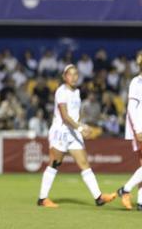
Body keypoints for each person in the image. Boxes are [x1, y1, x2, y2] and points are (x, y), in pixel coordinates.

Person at [37, 65, 116, 208]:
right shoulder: (61, 92)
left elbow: (75, 116)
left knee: (84, 164)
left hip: (73, 132)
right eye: (70, 74)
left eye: (75, 74)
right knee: (55, 163)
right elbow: (65, 117)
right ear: (64, 77)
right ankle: (42, 199)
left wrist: (82, 126)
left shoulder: (77, 92)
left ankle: (98, 197)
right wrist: (80, 128)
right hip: (61, 132)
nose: (73, 77)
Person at [116, 63, 142, 210]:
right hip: (140, 127)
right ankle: (126, 189)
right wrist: (138, 129)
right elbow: (131, 108)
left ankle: (140, 202)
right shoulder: (136, 82)